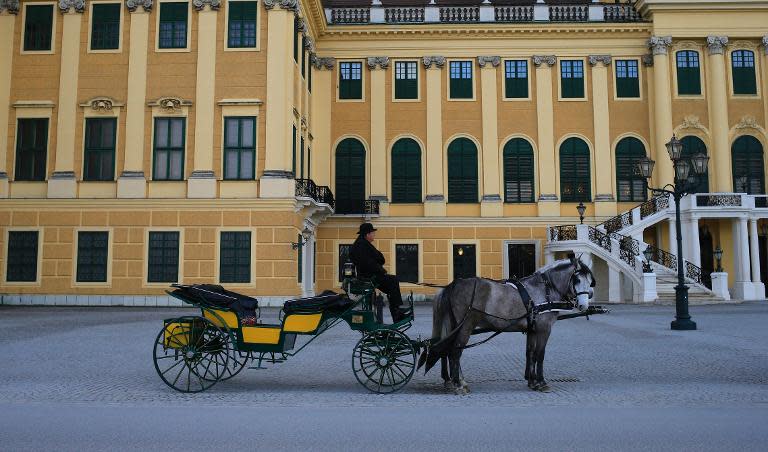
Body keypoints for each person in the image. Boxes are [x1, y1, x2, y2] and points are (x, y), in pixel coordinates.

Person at [349, 223, 408, 323]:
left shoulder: (362, 244)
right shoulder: (362, 245)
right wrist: (382, 271)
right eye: (373, 233)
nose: (374, 235)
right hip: (369, 277)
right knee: (393, 281)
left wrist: (379, 265)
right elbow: (370, 263)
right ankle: (396, 312)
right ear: (367, 234)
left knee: (391, 284)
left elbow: (377, 259)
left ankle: (396, 312)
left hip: (369, 276)